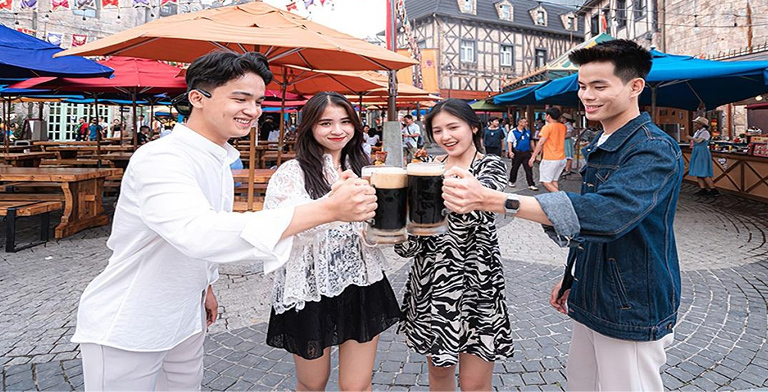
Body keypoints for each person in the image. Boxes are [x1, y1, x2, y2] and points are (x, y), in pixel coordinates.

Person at [71, 51, 377, 391]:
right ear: (198, 98)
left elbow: (203, 236)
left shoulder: (219, 159)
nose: (253, 110)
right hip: (132, 321)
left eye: (258, 101)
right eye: (240, 98)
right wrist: (328, 210)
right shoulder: (161, 158)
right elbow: (197, 232)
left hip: (187, 315)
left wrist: (207, 284)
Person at [440, 39, 684, 391]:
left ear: (635, 87)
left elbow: (607, 215)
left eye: (600, 86)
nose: (587, 95)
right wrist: (573, 277)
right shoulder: (605, 141)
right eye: (583, 86)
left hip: (631, 302)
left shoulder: (652, 148)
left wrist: (496, 199)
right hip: (594, 293)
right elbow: (589, 224)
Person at [264, 92, 401, 391]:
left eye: (345, 121)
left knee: (357, 385)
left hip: (362, 284)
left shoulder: (364, 169)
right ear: (310, 127)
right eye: (326, 122)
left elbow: (375, 228)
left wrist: (383, 228)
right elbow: (279, 228)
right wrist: (332, 204)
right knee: (312, 383)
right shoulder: (292, 173)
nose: (337, 130)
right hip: (311, 289)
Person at [395, 99, 513, 391]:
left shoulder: (491, 166)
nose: (445, 136)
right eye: (437, 131)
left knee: (474, 384)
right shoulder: (426, 169)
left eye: (453, 127)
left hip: (478, 283)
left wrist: (428, 189)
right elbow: (410, 246)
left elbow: (472, 211)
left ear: (473, 127)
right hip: (434, 284)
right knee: (439, 376)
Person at [528, 107, 567, 192]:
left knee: (545, 182)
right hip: (562, 158)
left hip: (550, 158)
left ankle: (562, 198)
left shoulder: (547, 127)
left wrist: (533, 156)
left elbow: (541, 142)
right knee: (553, 180)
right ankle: (556, 201)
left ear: (548, 116)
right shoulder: (563, 127)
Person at [687, 116, 719, 197]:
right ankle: (703, 189)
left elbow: (699, 140)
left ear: (702, 124)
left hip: (702, 152)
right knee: (698, 171)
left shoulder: (705, 133)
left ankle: (713, 189)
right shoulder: (697, 132)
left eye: (697, 123)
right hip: (697, 151)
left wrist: (689, 137)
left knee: (703, 172)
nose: (695, 124)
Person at [507, 117, 537, 190]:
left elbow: (531, 141)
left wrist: (534, 151)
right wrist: (510, 151)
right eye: (524, 122)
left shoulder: (528, 131)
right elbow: (510, 142)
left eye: (526, 122)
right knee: (515, 167)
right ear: (519, 123)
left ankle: (531, 184)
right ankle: (512, 181)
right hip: (517, 152)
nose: (526, 123)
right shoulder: (513, 131)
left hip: (526, 152)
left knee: (528, 168)